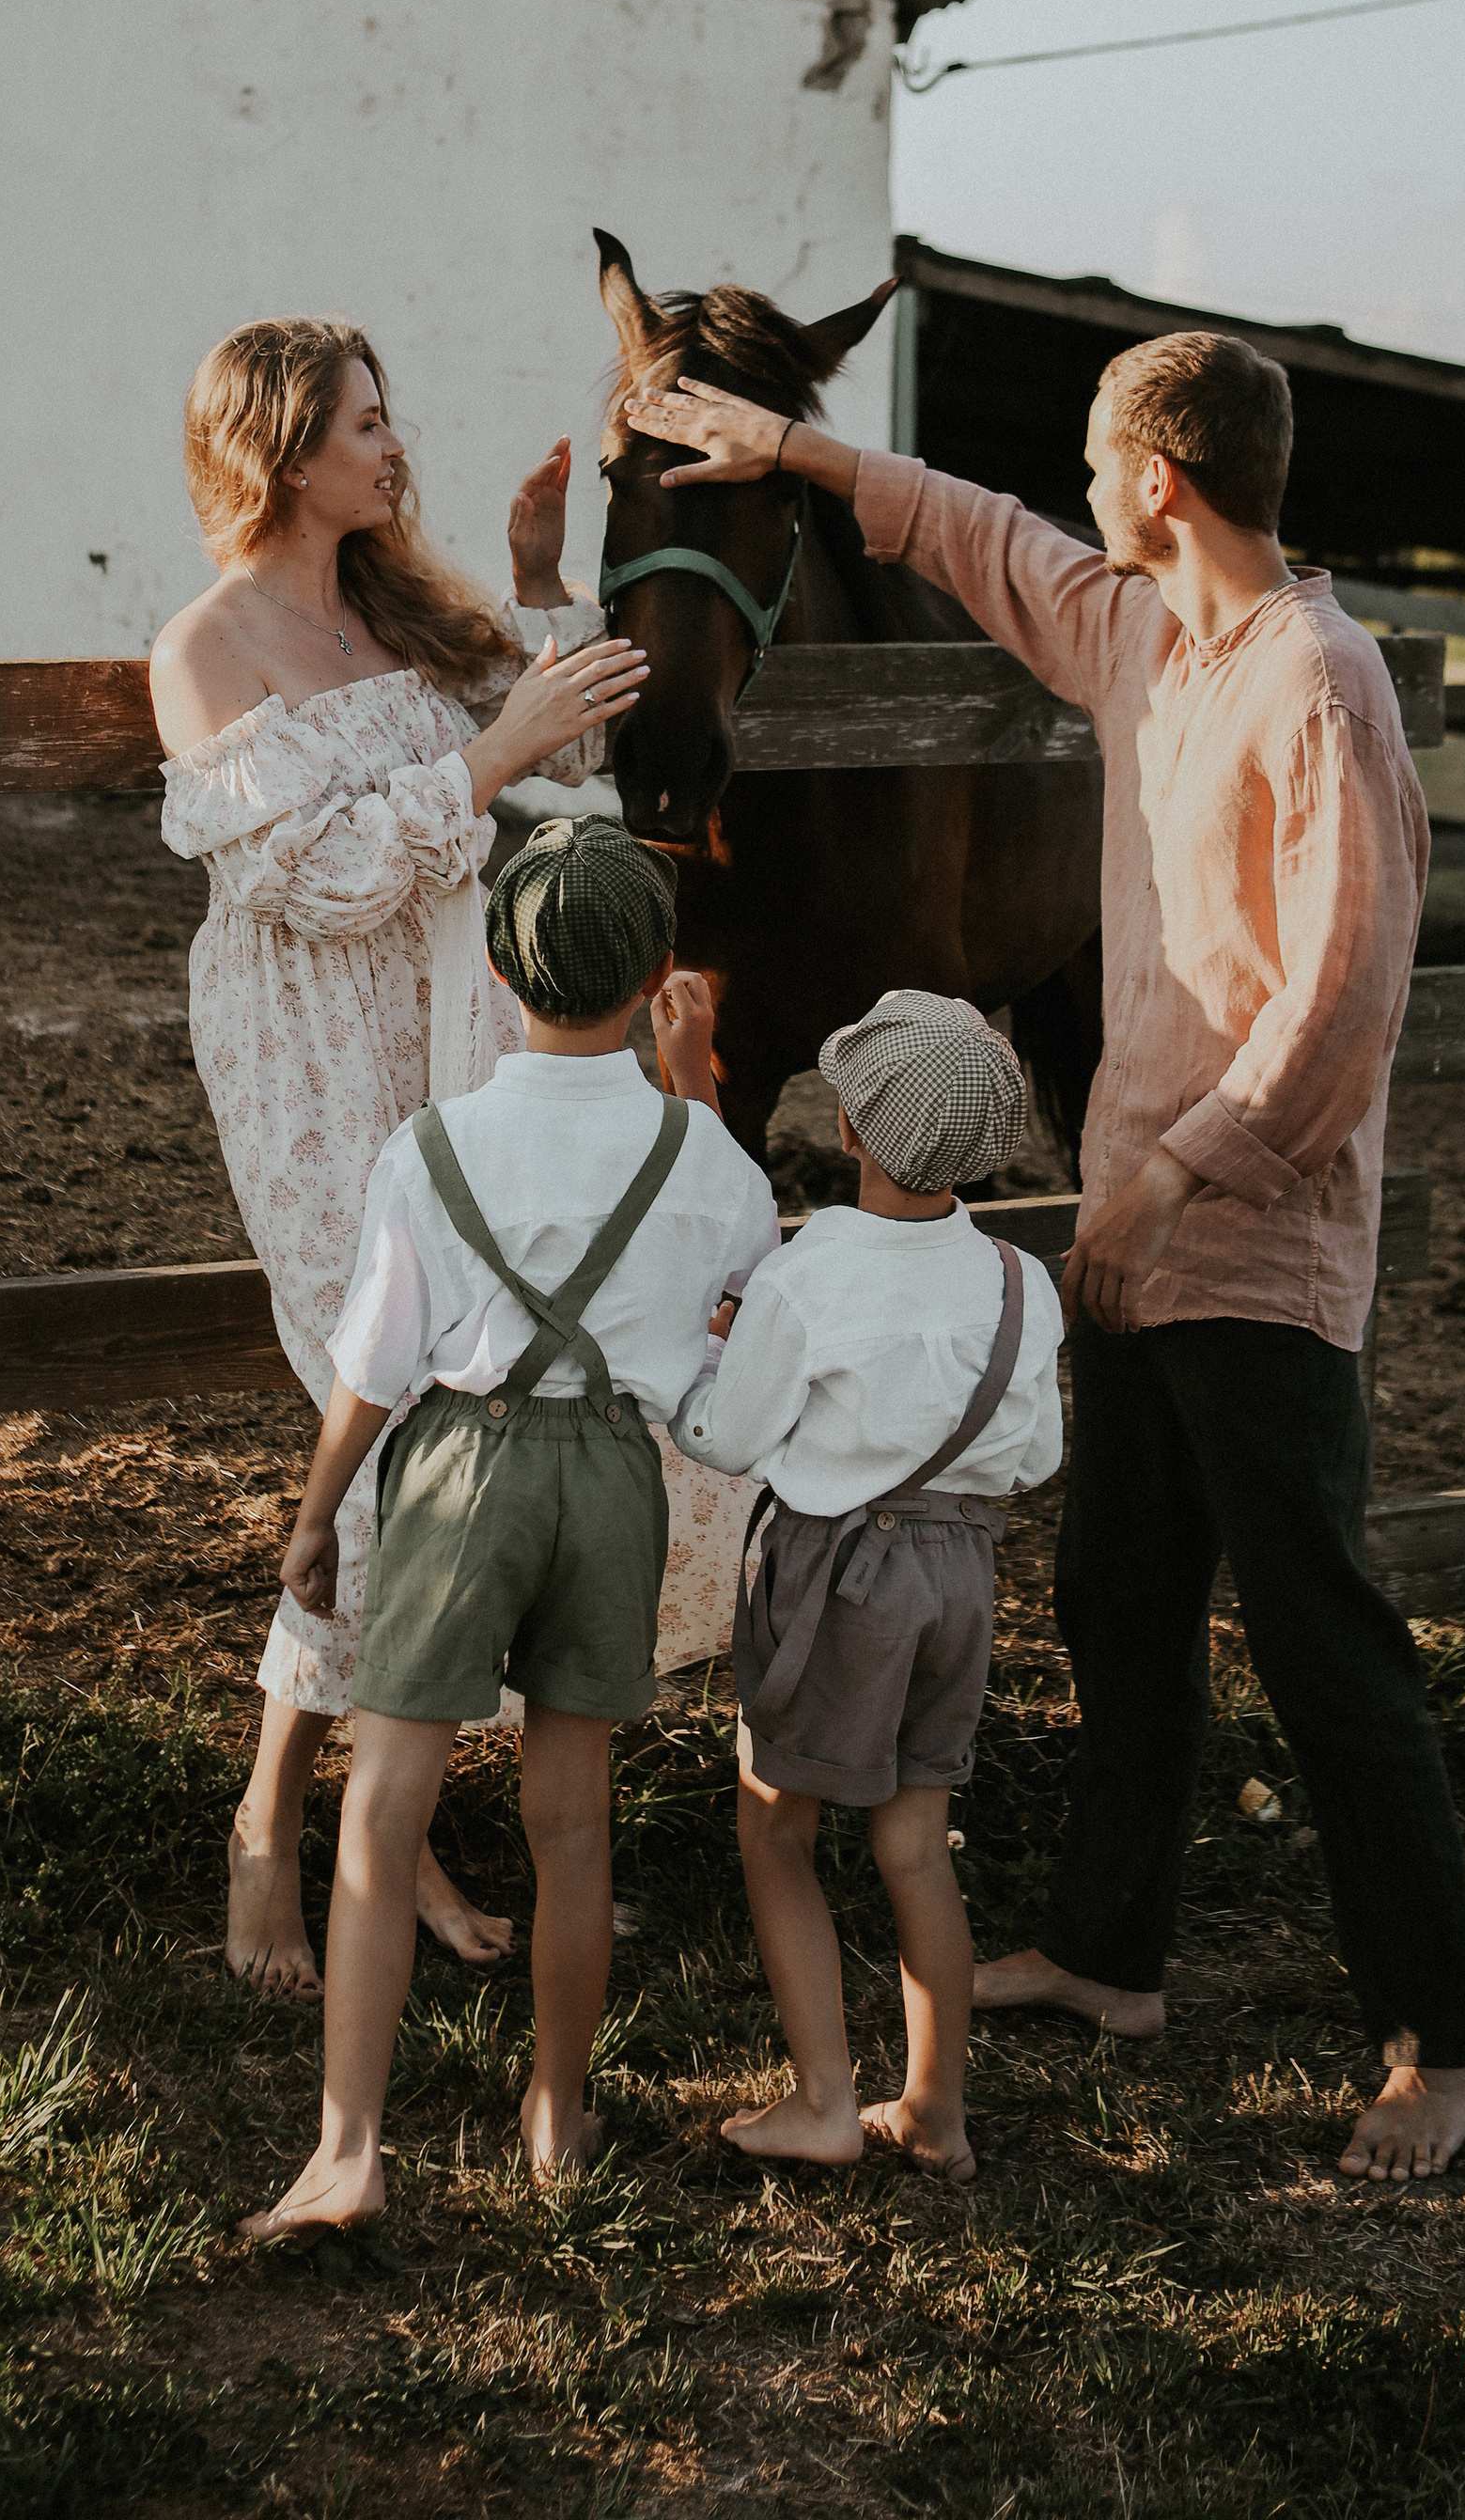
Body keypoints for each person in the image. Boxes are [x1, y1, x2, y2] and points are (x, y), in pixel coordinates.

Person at [627, 328, 1465, 2184]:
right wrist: (789, 445)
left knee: (1320, 1638)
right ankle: (1110, 1952)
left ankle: (1441, 2039)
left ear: (1157, 483)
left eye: (1097, 466)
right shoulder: (1143, 640)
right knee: (1116, 1596)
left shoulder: (1318, 689)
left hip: (1247, 1251)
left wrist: (1178, 1174)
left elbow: (1343, 996)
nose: (1077, 499)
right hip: (1133, 1238)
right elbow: (972, 537)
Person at [150, 318, 649, 1993]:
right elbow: (318, 879)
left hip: (454, 1049)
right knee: (366, 1447)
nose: (393, 443)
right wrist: (486, 760)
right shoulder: (209, 647)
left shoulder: (407, 612)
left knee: (455, 1428)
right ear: (288, 453)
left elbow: (570, 764)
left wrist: (535, 582)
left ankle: (398, 1825)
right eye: (366, 423)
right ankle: (268, 1829)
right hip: (308, 1066)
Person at [241, 816, 781, 2239]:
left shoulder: (433, 1147)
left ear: (498, 966)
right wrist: (688, 1080)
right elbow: (734, 1317)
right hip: (613, 1476)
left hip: (456, 1471)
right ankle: (554, 2106)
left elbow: (373, 1359)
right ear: (658, 969)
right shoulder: (713, 1164)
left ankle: (348, 2152)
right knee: (573, 1821)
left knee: (386, 1802)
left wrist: (315, 1520)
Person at [673, 990, 1063, 2186]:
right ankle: (935, 2109)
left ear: (845, 1130)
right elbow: (1040, 1457)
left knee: (775, 1826)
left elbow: (728, 1443)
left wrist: (711, 1361)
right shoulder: (1019, 1279)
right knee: (914, 1842)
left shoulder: (812, 1268)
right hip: (960, 1574)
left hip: (836, 1572)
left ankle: (825, 2099)